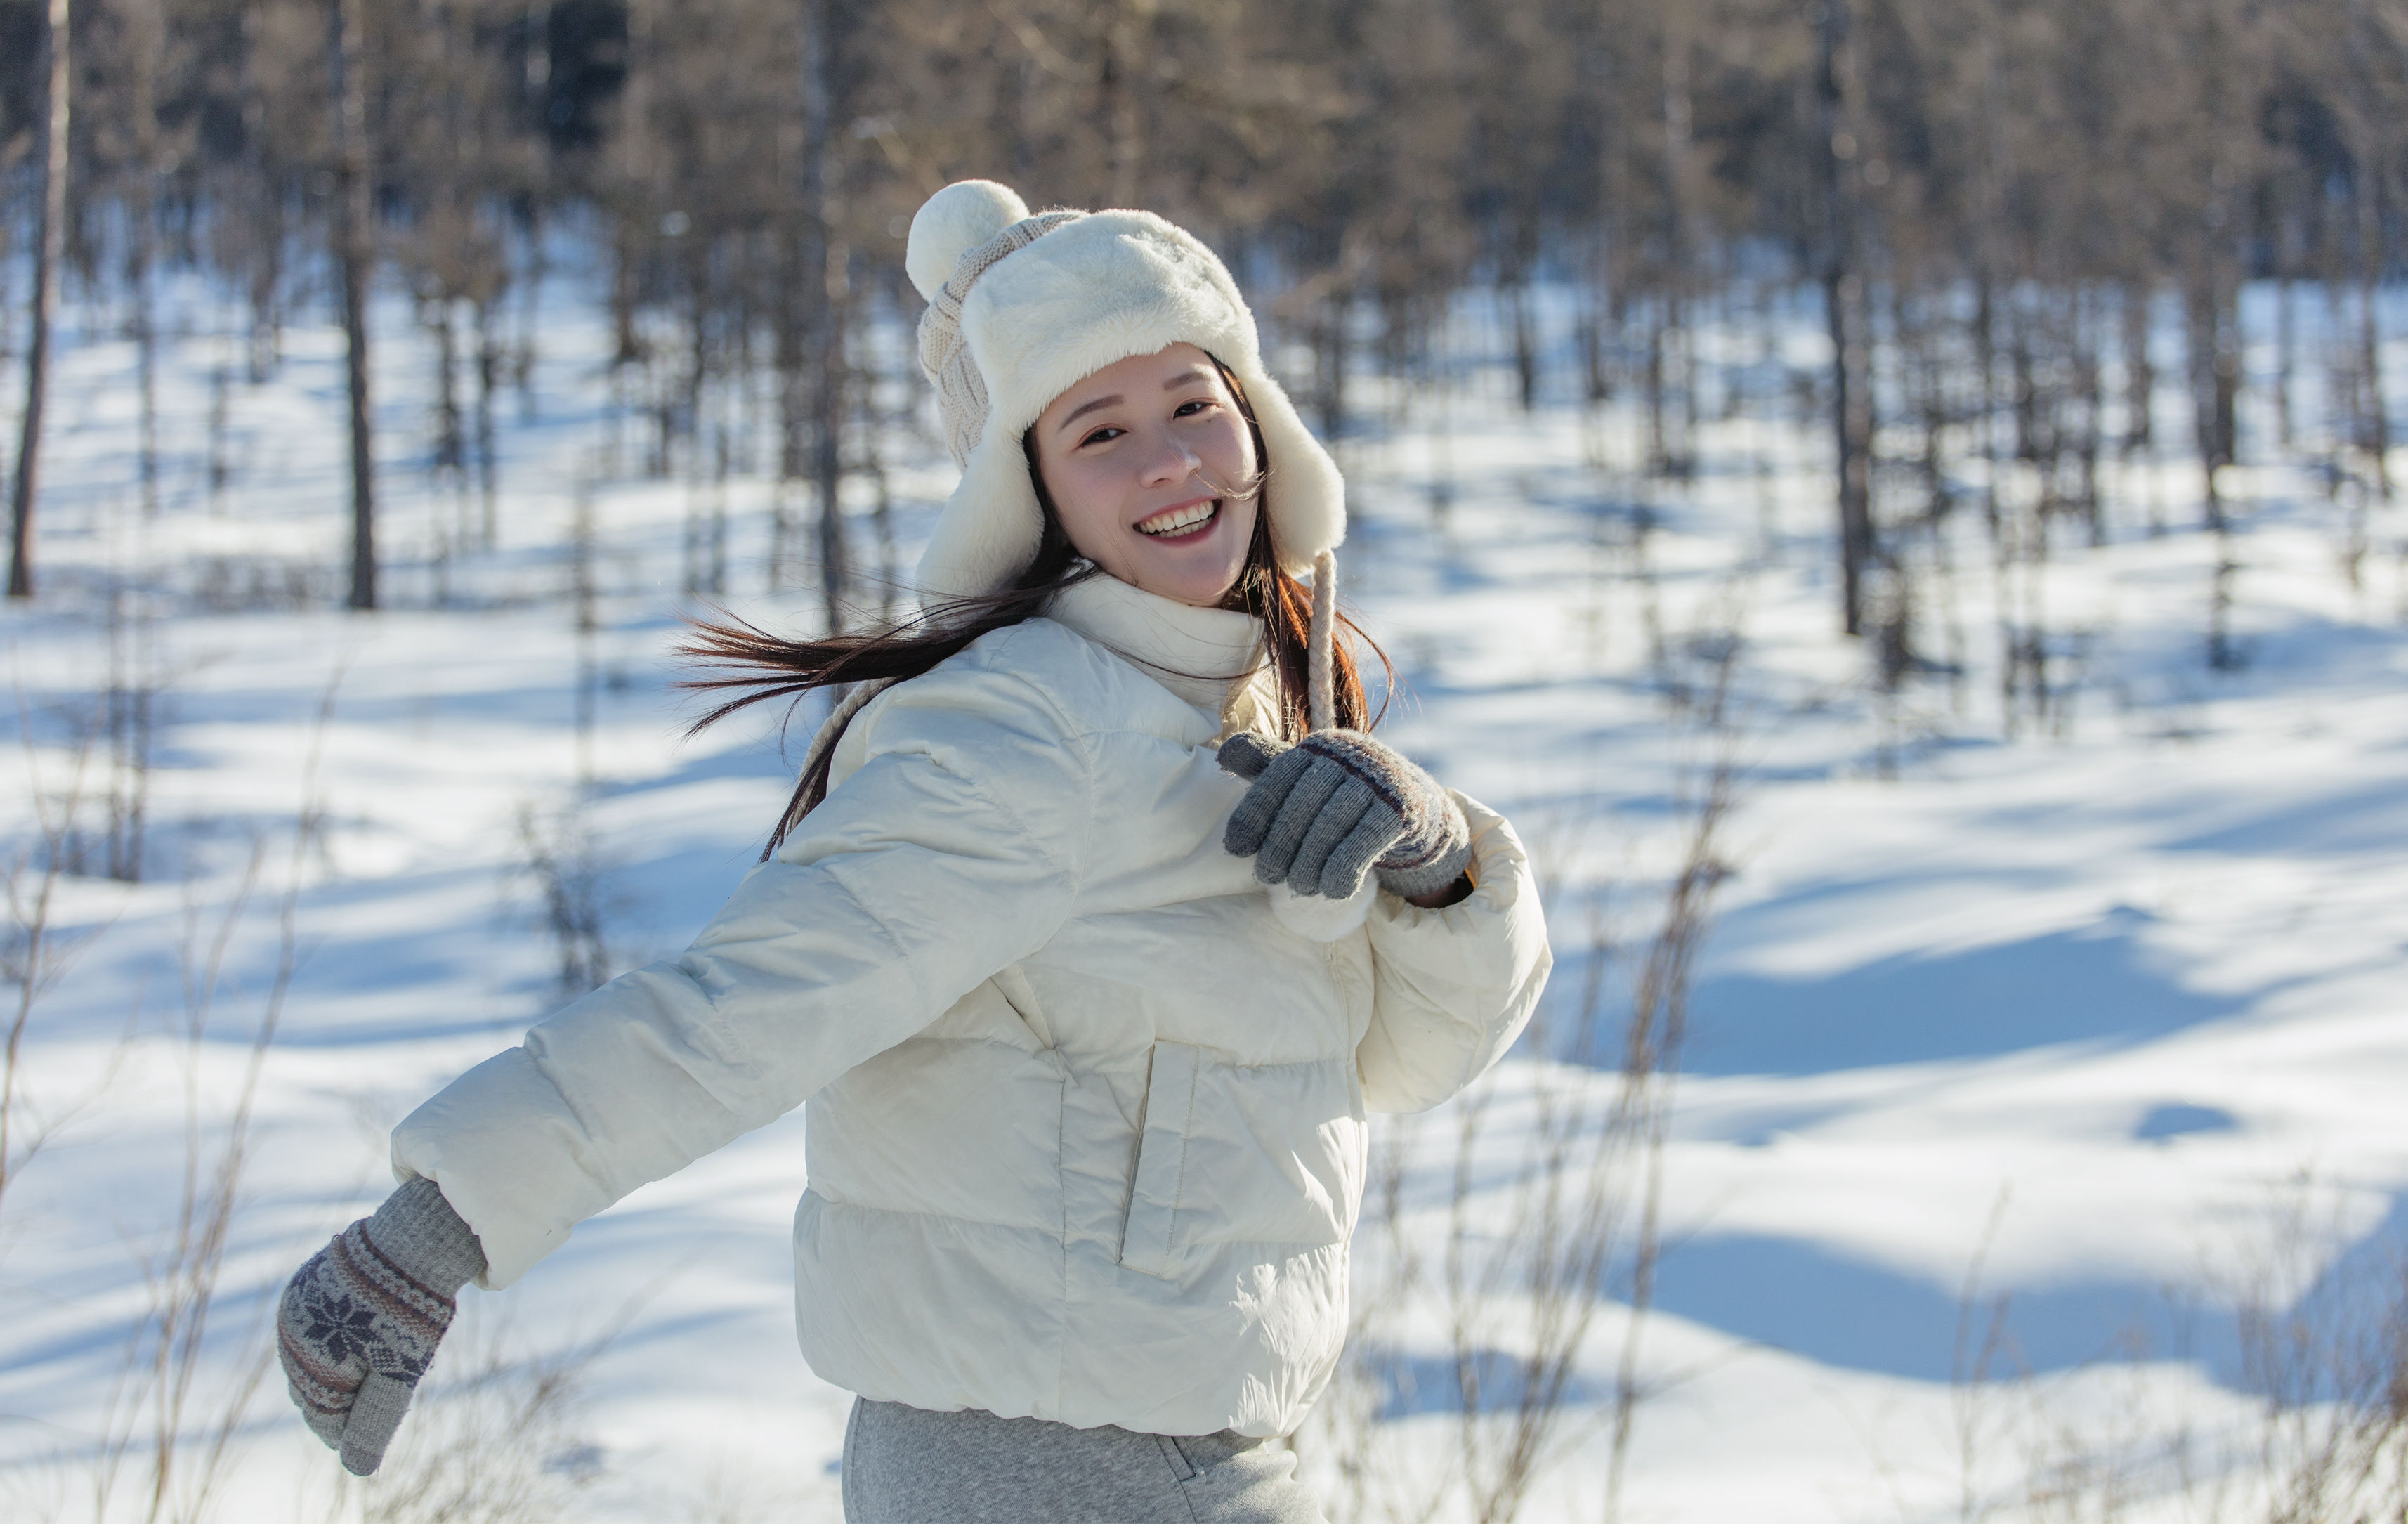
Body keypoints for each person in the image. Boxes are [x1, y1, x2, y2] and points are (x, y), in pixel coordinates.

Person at [275, 180, 1552, 1523]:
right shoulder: (1030, 727)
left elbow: (1405, 1065)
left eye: (1192, 401)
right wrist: (441, 1220)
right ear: (1035, 486)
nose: (1169, 458)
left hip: (1154, 1445)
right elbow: (752, 1002)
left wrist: (1438, 863)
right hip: (1079, 1462)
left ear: (1256, 420)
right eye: (1099, 430)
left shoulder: (1251, 707)